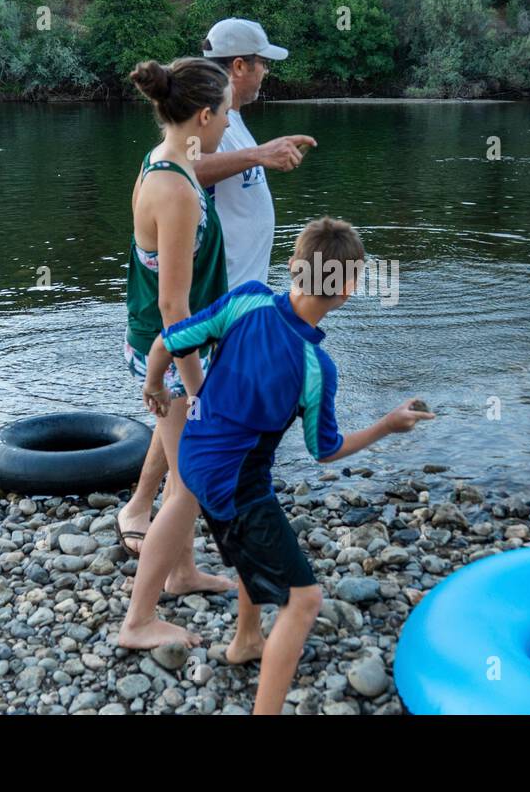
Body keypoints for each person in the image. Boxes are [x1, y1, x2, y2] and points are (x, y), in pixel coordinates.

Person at [120, 216, 435, 714]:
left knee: (260, 542)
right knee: (304, 600)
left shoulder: (246, 299)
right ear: (348, 291)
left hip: (194, 459)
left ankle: (246, 639)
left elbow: (166, 341)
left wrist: (155, 386)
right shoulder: (316, 368)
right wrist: (386, 426)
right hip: (235, 487)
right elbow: (325, 450)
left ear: (292, 267)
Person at [115, 18, 315, 554]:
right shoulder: (183, 161)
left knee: (185, 438)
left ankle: (164, 525)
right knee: (193, 448)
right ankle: (158, 530)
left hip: (221, 303)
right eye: (262, 62)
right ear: (239, 66)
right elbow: (186, 178)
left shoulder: (223, 126)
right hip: (202, 312)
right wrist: (191, 377)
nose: (267, 72)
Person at [119, 57, 236, 600]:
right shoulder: (175, 189)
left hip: (174, 345)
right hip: (166, 350)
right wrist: (196, 387)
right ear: (204, 115)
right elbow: (172, 305)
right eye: (227, 114)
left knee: (184, 470)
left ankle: (183, 571)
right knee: (189, 477)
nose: (231, 126)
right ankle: (149, 600)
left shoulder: (167, 161)